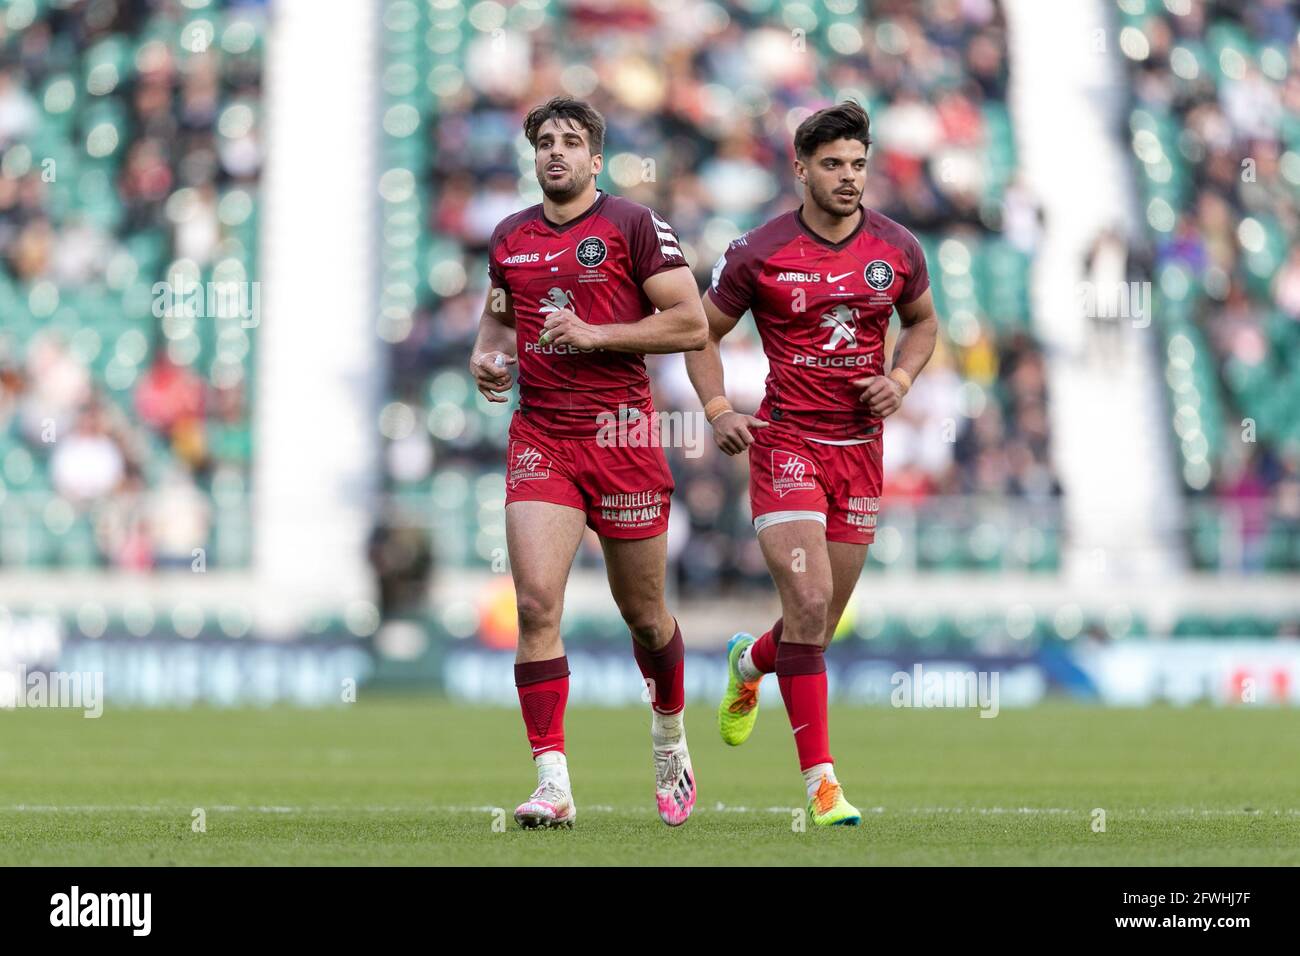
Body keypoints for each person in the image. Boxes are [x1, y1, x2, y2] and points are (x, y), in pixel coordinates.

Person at [685, 101, 941, 826]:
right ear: (800, 169)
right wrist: (717, 410)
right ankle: (822, 785)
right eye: (832, 164)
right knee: (807, 603)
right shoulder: (759, 251)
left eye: (859, 164)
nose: (849, 177)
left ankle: (748, 663)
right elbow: (699, 332)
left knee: (815, 625)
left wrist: (900, 379)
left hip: (860, 453)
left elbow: (922, 323)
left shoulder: (898, 248)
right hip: (786, 444)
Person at [468, 97, 709, 828]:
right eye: (545, 141)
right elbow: (498, 316)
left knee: (643, 616)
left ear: (595, 159)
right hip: (543, 437)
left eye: (571, 142)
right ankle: (552, 782)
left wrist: (596, 336)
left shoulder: (633, 225)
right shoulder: (510, 237)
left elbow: (691, 322)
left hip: (621, 437)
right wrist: (487, 356)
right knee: (537, 605)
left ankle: (668, 733)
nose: (555, 152)